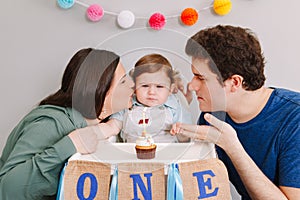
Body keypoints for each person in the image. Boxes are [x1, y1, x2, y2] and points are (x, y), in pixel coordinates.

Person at [171, 25, 300, 199]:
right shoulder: (212, 117)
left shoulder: (294, 119)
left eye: (201, 78)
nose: (192, 86)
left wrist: (231, 146)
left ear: (235, 82)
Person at [0, 48, 134, 199]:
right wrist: (70, 144)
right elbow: (7, 189)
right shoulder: (51, 123)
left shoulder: (108, 121)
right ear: (100, 91)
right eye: (123, 81)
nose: (132, 85)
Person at [98, 53, 192, 143]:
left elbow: (187, 137)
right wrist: (94, 132)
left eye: (159, 87)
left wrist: (181, 132)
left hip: (167, 156)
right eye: (145, 86)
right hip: (131, 156)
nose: (151, 92)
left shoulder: (174, 106)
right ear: (134, 86)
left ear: (170, 89)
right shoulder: (127, 105)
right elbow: (112, 126)